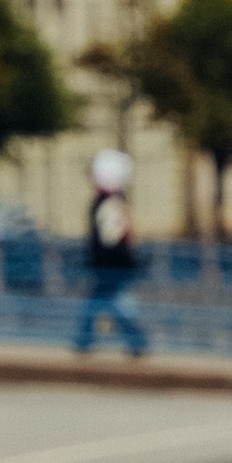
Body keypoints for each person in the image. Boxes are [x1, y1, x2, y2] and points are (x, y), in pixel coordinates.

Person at [74, 151, 148, 357]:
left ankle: (87, 341)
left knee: (114, 306)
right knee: (109, 305)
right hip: (114, 266)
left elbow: (110, 240)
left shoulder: (107, 203)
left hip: (110, 267)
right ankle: (86, 340)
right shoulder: (114, 202)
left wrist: (103, 262)